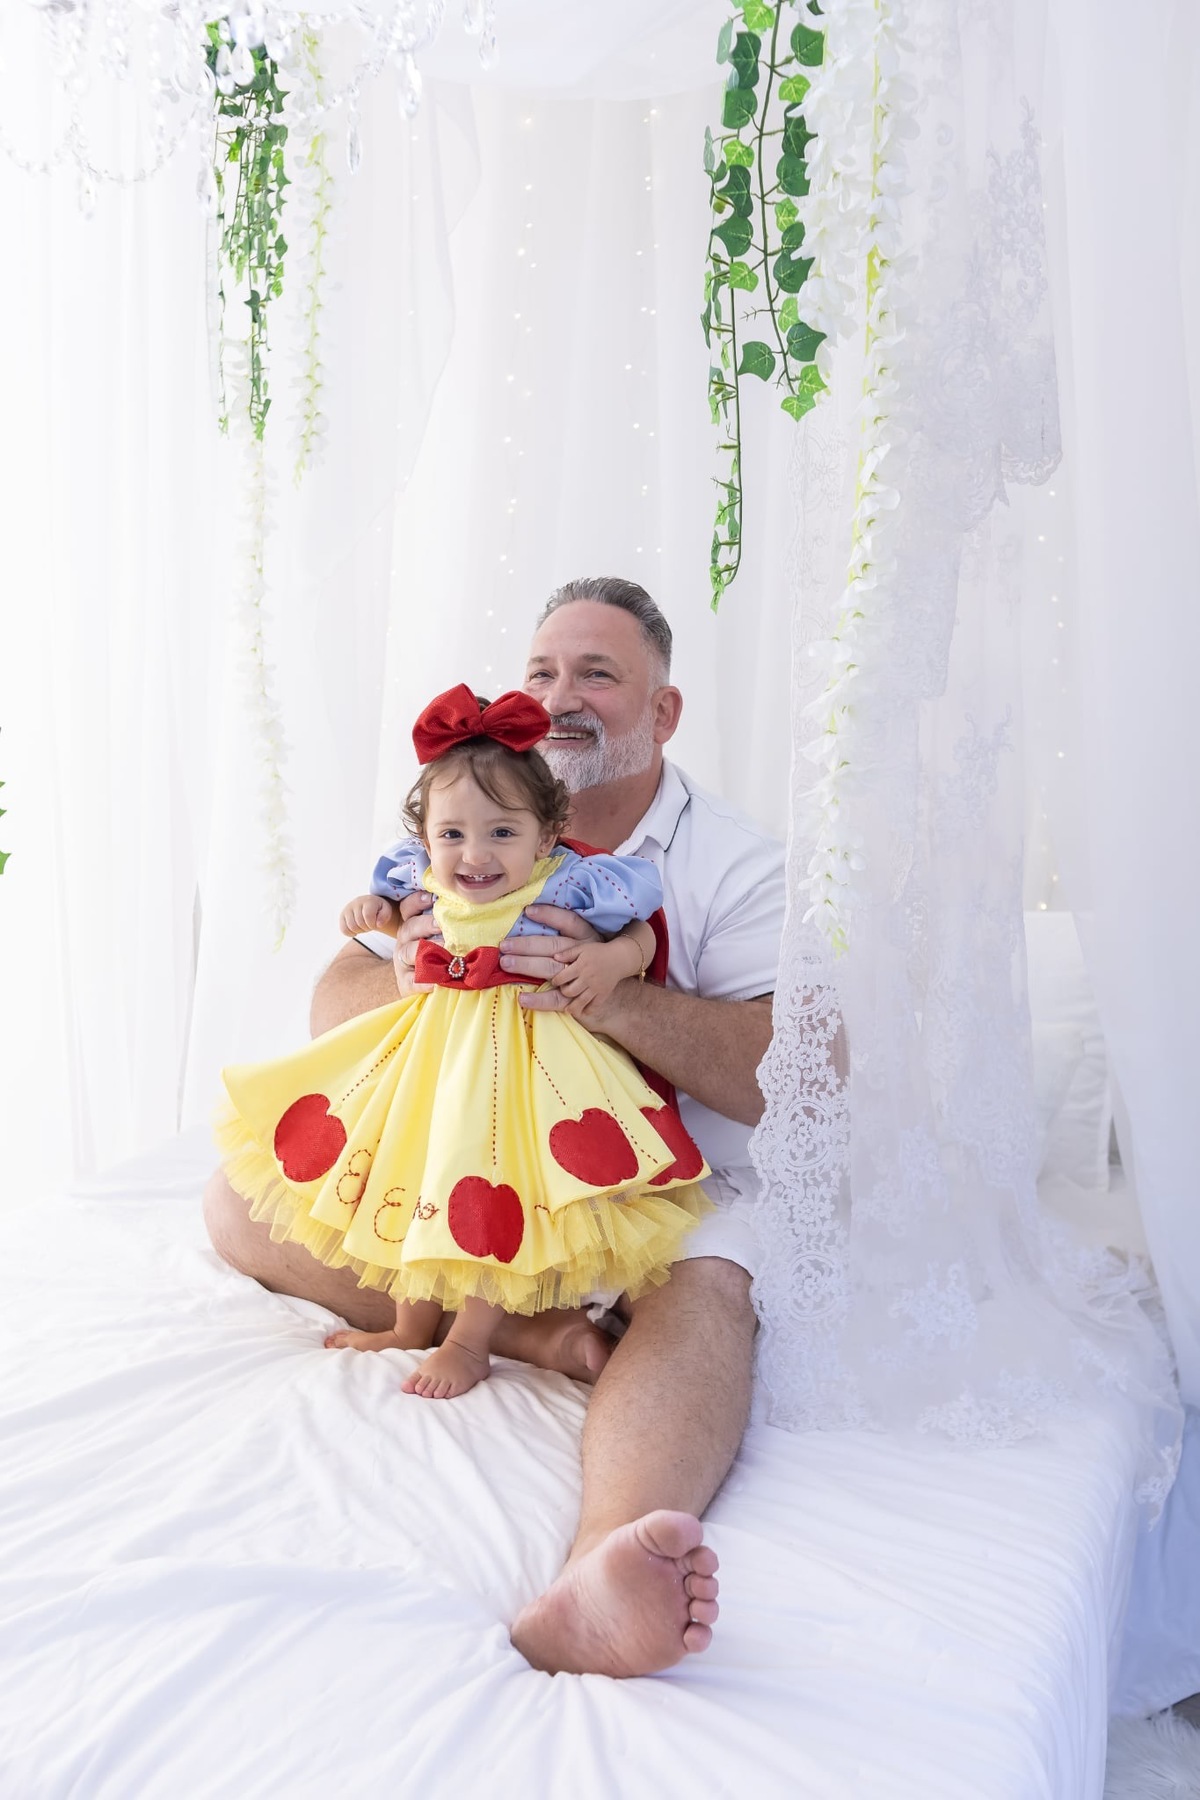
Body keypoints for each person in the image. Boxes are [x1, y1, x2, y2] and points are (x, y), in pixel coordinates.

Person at [204, 576, 784, 1678]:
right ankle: (524, 1336)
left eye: (598, 675)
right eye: (543, 672)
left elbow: (785, 1079)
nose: (562, 698)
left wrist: (603, 987)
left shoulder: (733, 864)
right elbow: (333, 1002)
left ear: (662, 713)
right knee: (240, 1196)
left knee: (708, 1284)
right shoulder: (460, 822)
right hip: (466, 1156)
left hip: (647, 1191)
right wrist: (422, 969)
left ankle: (604, 1569)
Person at [216, 681, 710, 1400]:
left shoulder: (570, 883)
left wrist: (614, 960)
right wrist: (379, 916)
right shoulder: (420, 880)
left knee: (487, 1194)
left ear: (546, 835)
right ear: (424, 841)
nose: (475, 855)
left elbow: (640, 930)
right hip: (435, 1056)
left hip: (525, 1065)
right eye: (452, 835)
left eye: (502, 833)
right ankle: (409, 1325)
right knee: (413, 1178)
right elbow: (393, 920)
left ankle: (471, 1341)